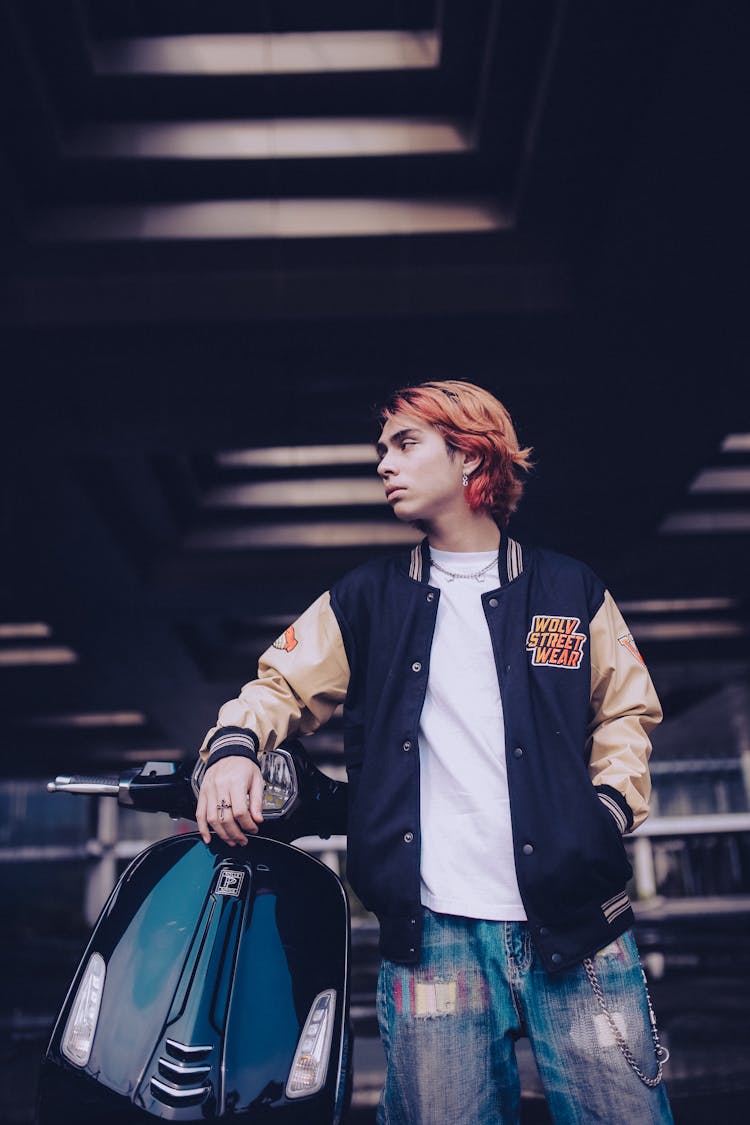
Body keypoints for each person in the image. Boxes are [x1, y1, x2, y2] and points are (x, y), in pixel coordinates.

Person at [192, 379, 673, 1124]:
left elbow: (627, 711)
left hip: (580, 927)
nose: (383, 462)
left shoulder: (570, 590)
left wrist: (604, 813)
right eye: (382, 447)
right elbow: (277, 684)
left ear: (471, 459)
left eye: (405, 444)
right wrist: (233, 750)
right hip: (433, 940)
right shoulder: (365, 599)